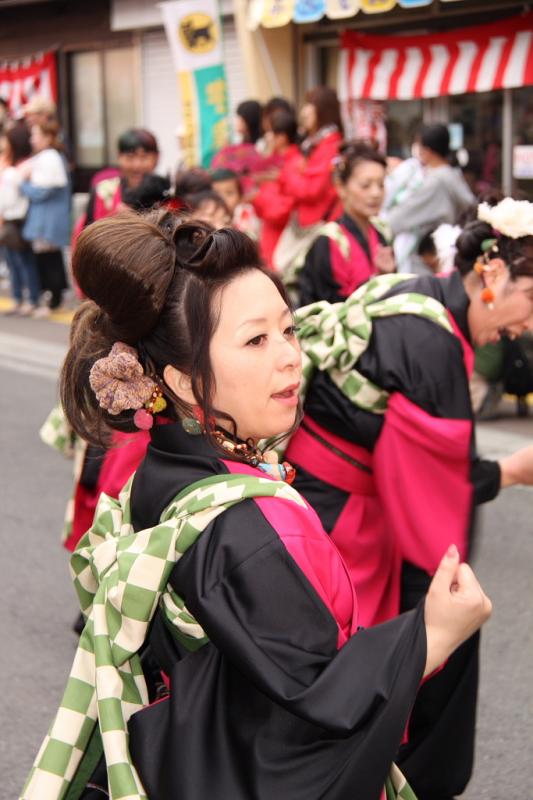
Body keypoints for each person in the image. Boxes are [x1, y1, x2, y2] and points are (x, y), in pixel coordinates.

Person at [22, 209, 492, 800]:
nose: (291, 356)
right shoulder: (248, 530)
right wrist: (433, 635)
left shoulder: (164, 472)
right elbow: (309, 717)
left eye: (289, 330)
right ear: (186, 381)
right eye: (256, 339)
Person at [286, 198, 533, 799]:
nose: (526, 327)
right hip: (338, 517)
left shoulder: (416, 291)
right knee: (426, 651)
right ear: (493, 275)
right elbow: (439, 497)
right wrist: (513, 471)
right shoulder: (436, 345)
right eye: (532, 303)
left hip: (308, 496)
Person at [298, 141, 395, 306]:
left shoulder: (382, 231)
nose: (376, 193)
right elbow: (326, 307)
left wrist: (387, 275)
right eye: (365, 185)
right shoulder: (328, 241)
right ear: (341, 187)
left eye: (381, 184)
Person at [383, 124, 475, 275]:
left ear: (427, 150)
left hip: (426, 260)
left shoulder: (435, 182)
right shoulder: (452, 174)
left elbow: (399, 219)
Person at [273, 86, 343, 274]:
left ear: (322, 110)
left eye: (310, 104)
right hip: (305, 224)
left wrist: (289, 173)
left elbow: (311, 190)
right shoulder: (315, 144)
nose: (304, 111)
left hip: (315, 226)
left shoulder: (330, 147)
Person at [18, 118, 70, 315]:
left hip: (48, 219)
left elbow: (42, 191)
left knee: (50, 259)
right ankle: (53, 299)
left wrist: (23, 184)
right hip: (47, 218)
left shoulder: (51, 157)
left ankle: (54, 300)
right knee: (49, 257)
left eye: (36, 135)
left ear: (48, 137)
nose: (32, 139)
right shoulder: (51, 156)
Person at [0, 121, 41, 314]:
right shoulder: (10, 164)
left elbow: (13, 195)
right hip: (8, 217)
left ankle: (32, 299)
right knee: (12, 260)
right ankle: (17, 298)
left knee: (23, 260)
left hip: (17, 218)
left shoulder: (25, 166)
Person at [251, 108, 300, 268]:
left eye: (270, 131)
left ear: (282, 137)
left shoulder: (295, 165)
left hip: (282, 243)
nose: (267, 136)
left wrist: (256, 198)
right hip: (270, 239)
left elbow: (282, 211)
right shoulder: (273, 161)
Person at [211, 167, 260, 239]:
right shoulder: (208, 215)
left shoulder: (245, 212)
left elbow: (251, 238)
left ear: (240, 196)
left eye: (229, 193)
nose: (222, 199)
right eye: (216, 193)